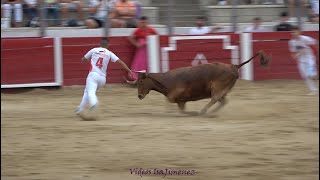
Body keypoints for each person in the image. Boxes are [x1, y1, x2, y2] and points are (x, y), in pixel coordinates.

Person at [75, 37, 133, 116]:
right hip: (102, 79)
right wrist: (129, 70)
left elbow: (83, 60)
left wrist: (90, 60)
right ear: (108, 45)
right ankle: (80, 109)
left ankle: (94, 104)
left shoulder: (94, 50)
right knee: (87, 91)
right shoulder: (109, 53)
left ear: (100, 43)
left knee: (91, 92)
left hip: (93, 75)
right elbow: (120, 62)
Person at [288, 26, 319, 95]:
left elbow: (315, 42)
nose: (293, 33)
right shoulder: (291, 42)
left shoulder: (305, 38)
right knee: (305, 76)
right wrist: (295, 56)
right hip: (301, 60)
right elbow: (293, 52)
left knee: (311, 74)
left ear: (299, 32)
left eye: (295, 32)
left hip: (309, 58)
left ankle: (314, 75)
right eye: (292, 32)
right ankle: (313, 90)